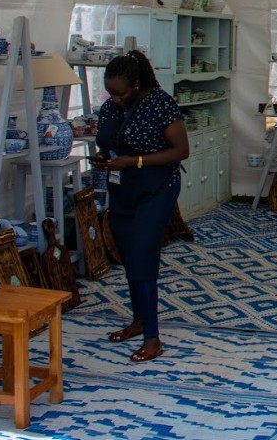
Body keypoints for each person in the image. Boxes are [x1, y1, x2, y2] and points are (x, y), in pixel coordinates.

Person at [93, 50, 189, 363]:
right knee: (128, 252)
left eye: (120, 93)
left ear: (136, 84)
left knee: (143, 253)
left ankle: (152, 338)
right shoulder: (110, 107)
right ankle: (138, 320)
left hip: (156, 187)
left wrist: (133, 161)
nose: (115, 99)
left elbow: (181, 150)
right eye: (111, 93)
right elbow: (108, 141)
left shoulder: (160, 104)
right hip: (123, 188)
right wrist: (104, 157)